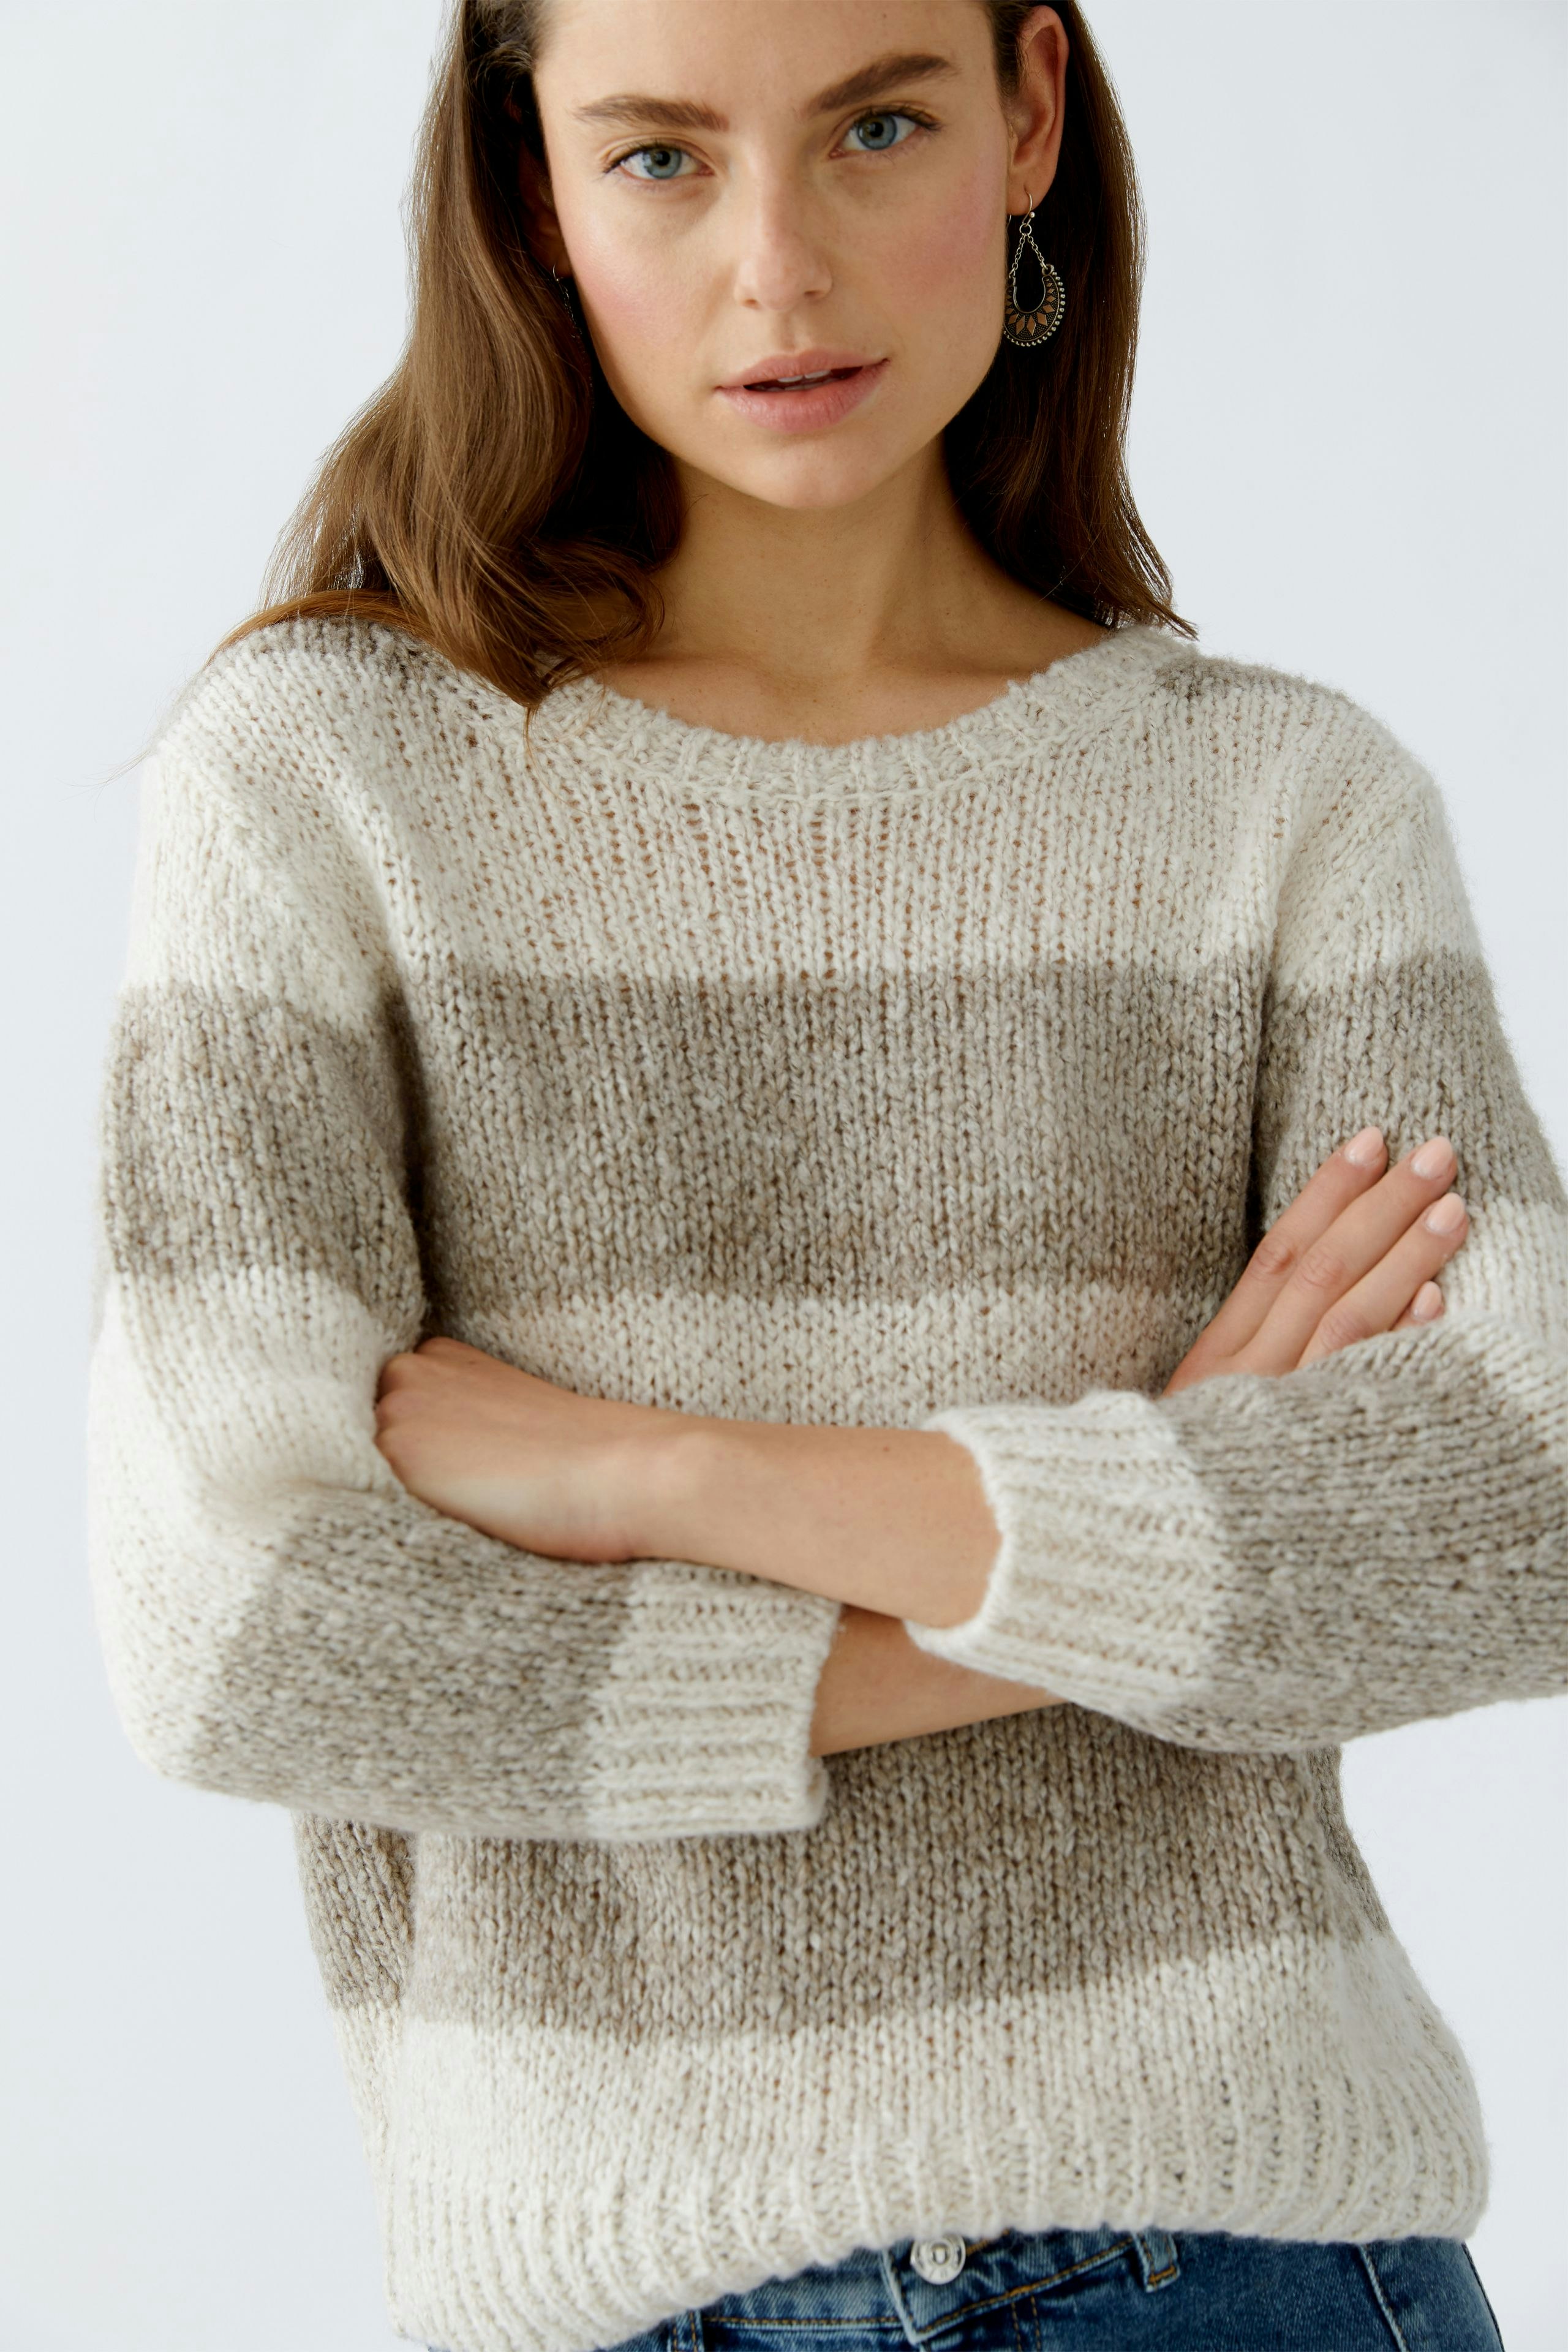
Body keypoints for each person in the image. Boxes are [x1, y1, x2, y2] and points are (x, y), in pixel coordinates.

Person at [84, 2, 1566, 2349]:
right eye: (661, 156)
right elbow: (243, 1624)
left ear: (1032, 115)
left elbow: (1525, 1499)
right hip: (624, 2292)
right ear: (532, 193)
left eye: (879, 123)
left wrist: (647, 1467)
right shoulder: (322, 786)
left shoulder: (1285, 810)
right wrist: (1144, 1517)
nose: (780, 262)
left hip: (1249, 2262)